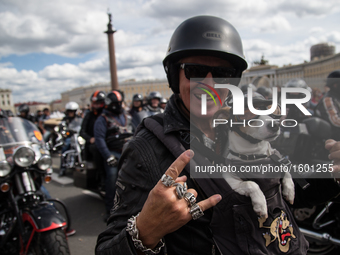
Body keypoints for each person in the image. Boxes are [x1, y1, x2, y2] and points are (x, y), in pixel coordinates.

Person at [96, 15, 340, 255]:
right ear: (174, 75)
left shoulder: (250, 124)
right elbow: (108, 247)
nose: (209, 84)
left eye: (223, 74)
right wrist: (145, 230)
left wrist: (334, 174)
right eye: (196, 70)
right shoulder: (146, 147)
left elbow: (290, 191)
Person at [94, 90, 133, 220]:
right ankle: (110, 210)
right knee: (112, 176)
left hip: (129, 150)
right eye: (116, 103)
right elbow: (99, 139)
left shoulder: (127, 116)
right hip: (113, 152)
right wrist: (108, 156)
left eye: (120, 103)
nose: (118, 105)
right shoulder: (102, 119)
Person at [79, 90, 106, 181]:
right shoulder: (89, 115)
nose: (95, 105)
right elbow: (82, 132)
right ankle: (102, 175)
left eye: (98, 103)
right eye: (94, 103)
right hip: (94, 144)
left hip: (107, 141)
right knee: (96, 149)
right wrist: (90, 139)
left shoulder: (107, 115)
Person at [315, 70, 340, 140]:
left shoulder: (337, 97)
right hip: (333, 137)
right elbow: (335, 120)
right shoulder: (328, 99)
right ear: (335, 85)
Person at [59, 102, 82, 177]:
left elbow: (82, 126)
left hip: (77, 136)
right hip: (69, 137)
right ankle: (62, 168)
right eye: (70, 111)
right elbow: (62, 127)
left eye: (72, 111)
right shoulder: (65, 120)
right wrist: (65, 132)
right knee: (65, 148)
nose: (71, 113)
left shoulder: (79, 119)